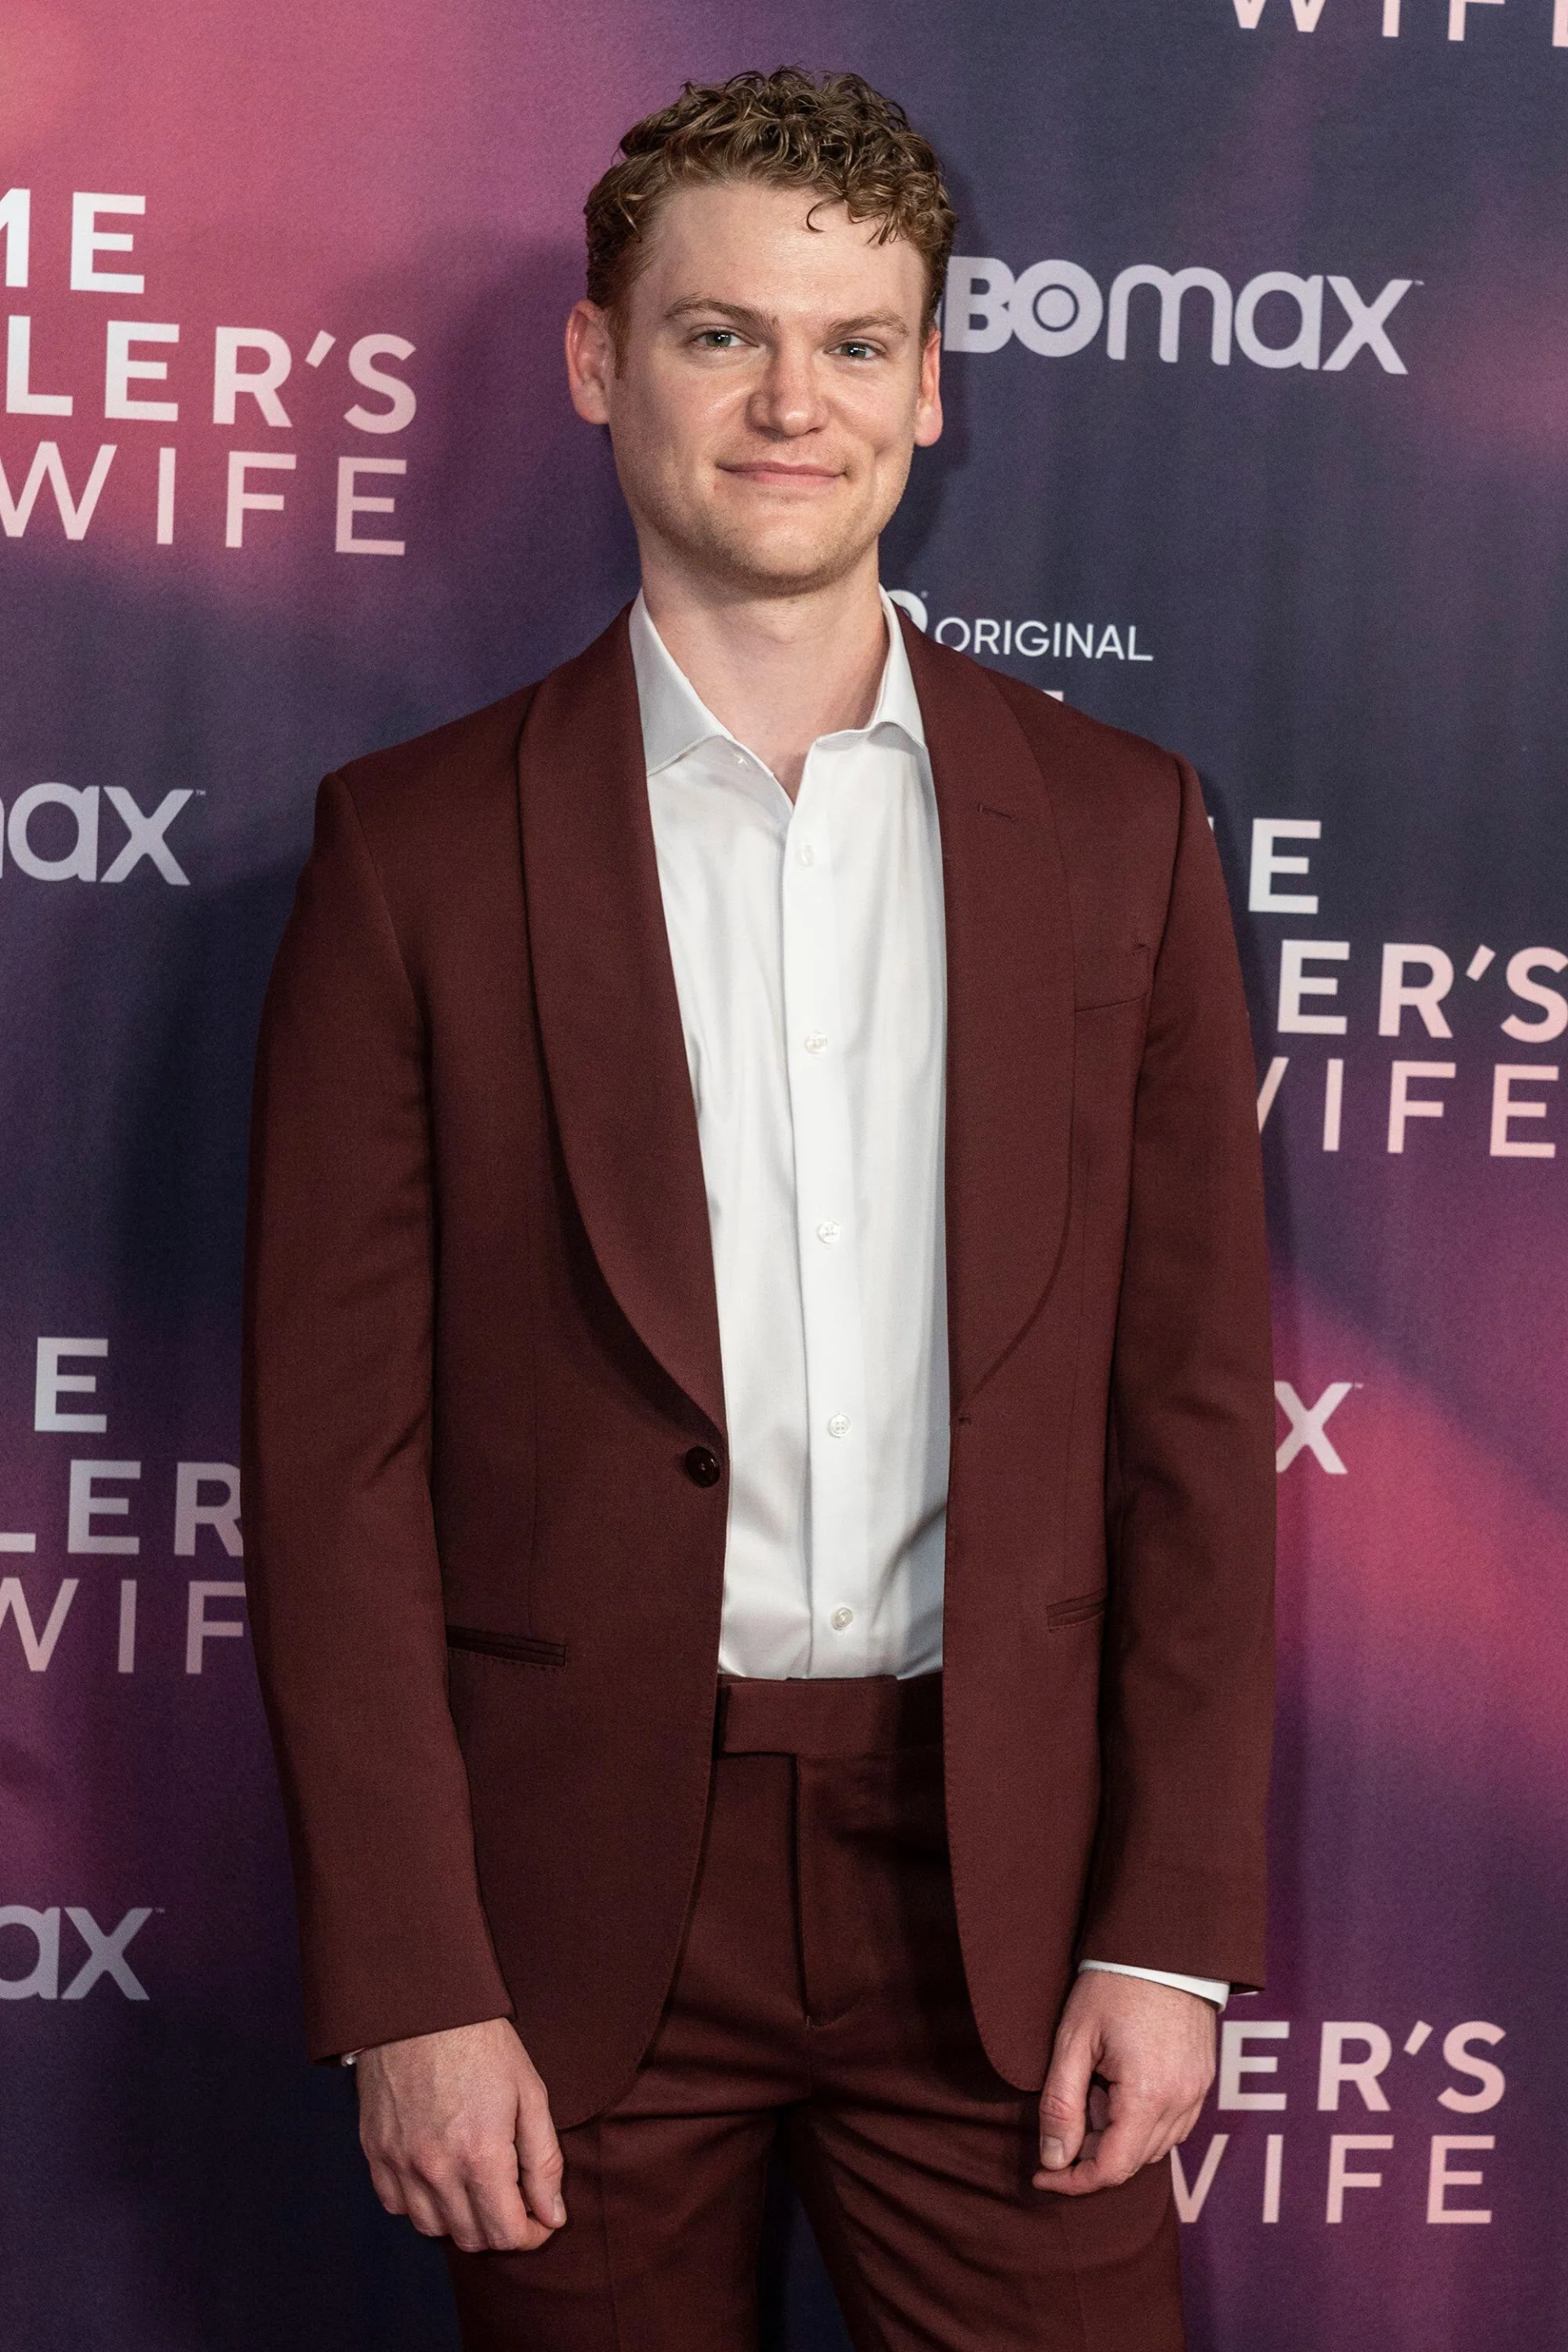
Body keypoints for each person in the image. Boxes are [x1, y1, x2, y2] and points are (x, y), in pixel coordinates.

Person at [243, 67, 1275, 2352]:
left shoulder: (1120, 837)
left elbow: (1191, 1421)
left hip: (1001, 1905)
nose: (786, 401)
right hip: (569, 1910)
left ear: (929, 387)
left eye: (849, 342)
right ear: (607, 361)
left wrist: (1168, 1929)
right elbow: (333, 1473)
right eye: (720, 335)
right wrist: (410, 1975)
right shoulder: (409, 856)